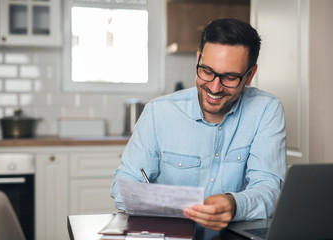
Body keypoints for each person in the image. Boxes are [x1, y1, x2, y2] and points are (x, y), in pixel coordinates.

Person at [110, 18, 286, 238]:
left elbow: (270, 190)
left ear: (250, 75)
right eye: (206, 71)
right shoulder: (158, 112)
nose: (214, 87)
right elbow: (122, 187)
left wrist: (234, 204)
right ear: (198, 60)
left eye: (230, 77)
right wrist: (173, 201)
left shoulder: (266, 110)